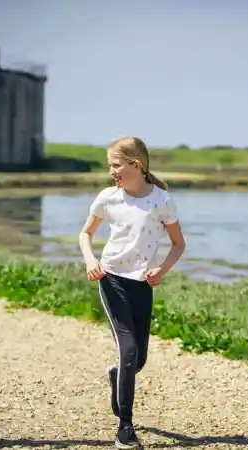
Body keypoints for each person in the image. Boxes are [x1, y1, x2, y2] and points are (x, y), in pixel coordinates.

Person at [79, 136, 186, 449]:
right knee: (128, 351)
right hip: (111, 278)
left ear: (136, 165)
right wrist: (91, 260)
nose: (111, 171)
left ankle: (117, 376)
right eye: (109, 165)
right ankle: (125, 427)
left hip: (142, 283)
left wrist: (161, 270)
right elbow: (85, 234)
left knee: (137, 360)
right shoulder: (108, 198)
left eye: (116, 165)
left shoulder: (162, 200)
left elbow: (179, 244)